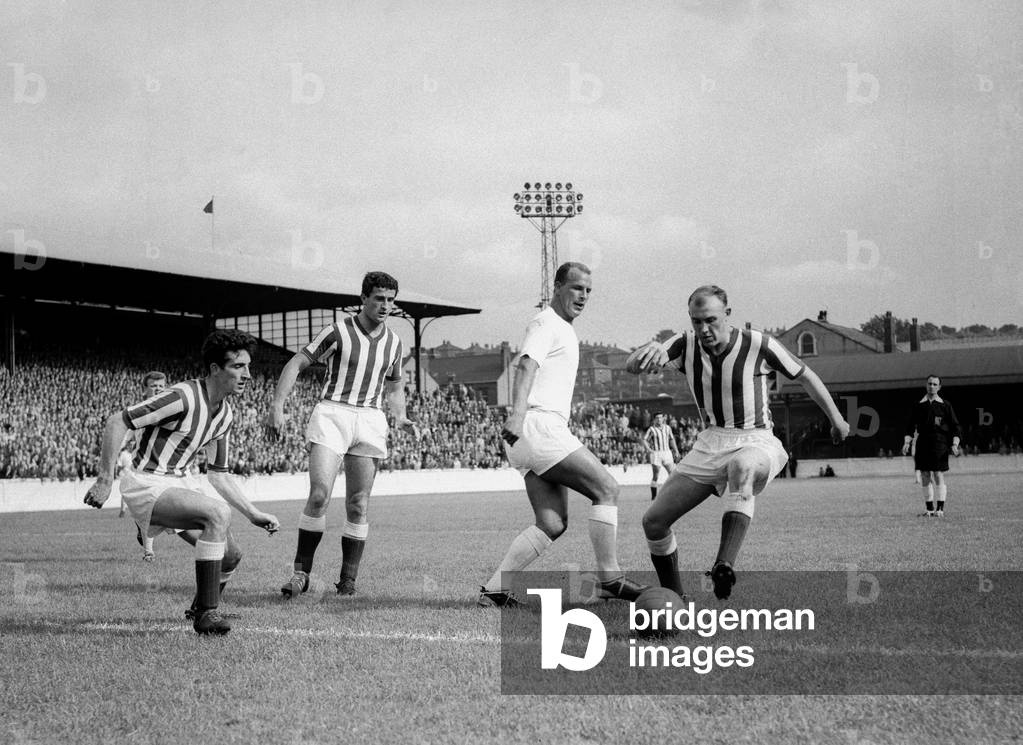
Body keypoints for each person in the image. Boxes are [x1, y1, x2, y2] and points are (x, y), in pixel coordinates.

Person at [627, 285, 850, 601]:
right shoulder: (683, 344)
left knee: (742, 465)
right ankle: (675, 600)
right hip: (711, 442)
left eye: (711, 320)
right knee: (653, 522)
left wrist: (837, 419)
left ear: (728, 315)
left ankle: (724, 565)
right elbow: (632, 366)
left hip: (756, 439)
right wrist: (645, 353)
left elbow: (805, 375)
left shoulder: (759, 344)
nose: (704, 329)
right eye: (697, 321)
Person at [84, 330, 280, 635]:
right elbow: (117, 421)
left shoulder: (226, 414)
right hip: (147, 483)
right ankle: (208, 615)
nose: (248, 375)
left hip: (181, 484)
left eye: (249, 367)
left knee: (231, 556)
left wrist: (253, 514)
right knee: (217, 513)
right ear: (215, 369)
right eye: (238, 367)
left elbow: (219, 474)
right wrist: (104, 480)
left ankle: (199, 608)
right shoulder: (182, 396)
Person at [479, 262, 647, 607]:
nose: (583, 296)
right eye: (576, 288)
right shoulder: (547, 322)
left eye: (588, 290)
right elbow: (526, 364)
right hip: (538, 425)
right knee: (607, 488)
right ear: (557, 287)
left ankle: (494, 589)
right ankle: (609, 578)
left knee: (551, 523)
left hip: (531, 433)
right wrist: (517, 414)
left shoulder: (562, 327)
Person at [268, 271, 415, 599]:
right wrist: (277, 406)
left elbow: (394, 385)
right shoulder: (337, 332)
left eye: (391, 300)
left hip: (370, 419)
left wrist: (401, 417)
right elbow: (296, 363)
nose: (385, 305)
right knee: (319, 494)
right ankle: (301, 574)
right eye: (379, 298)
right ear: (363, 298)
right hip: (333, 413)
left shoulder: (394, 342)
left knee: (358, 503)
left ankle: (347, 581)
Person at [902, 375, 961, 517]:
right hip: (923, 442)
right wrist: (907, 442)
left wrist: (955, 443)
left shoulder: (945, 405)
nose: (932, 386)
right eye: (929, 383)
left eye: (935, 384)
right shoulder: (919, 405)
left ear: (939, 387)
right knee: (925, 474)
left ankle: (940, 508)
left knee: (938, 473)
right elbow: (910, 427)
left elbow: (955, 426)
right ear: (926, 385)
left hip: (940, 443)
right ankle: (929, 509)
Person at [643, 412, 680, 499]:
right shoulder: (651, 429)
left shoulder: (668, 428)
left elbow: (671, 439)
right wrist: (649, 449)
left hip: (667, 452)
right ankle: (654, 497)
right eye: (657, 418)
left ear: (663, 418)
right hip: (656, 453)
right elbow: (644, 440)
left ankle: (672, 494)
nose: (659, 419)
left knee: (672, 474)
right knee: (656, 475)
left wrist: (676, 451)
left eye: (660, 417)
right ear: (654, 419)